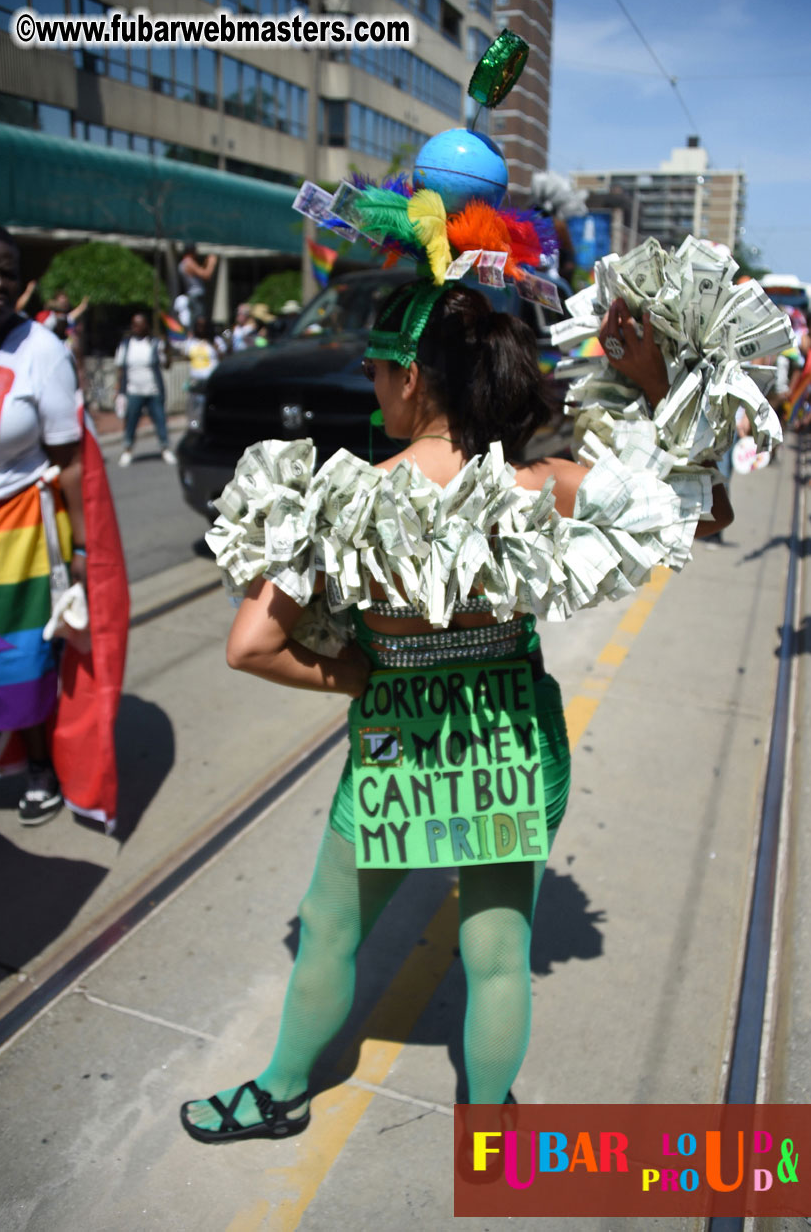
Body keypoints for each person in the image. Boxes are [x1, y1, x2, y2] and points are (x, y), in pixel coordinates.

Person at [180, 277, 732, 1143]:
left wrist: (360, 676)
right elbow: (706, 512)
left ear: (413, 378)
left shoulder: (342, 498)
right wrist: (660, 384)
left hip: (401, 744)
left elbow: (251, 643)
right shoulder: (540, 483)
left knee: (329, 928)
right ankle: (487, 1124)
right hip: (510, 733)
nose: (368, 379)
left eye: (375, 366)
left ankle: (283, 1091)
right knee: (499, 952)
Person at [0, 224, 86, 825]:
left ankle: (40, 769)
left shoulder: (41, 349)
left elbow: (70, 463)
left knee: (19, 662)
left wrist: (84, 553)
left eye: (6, 272)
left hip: (19, 532)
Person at [114, 313, 175, 467]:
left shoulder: (155, 343)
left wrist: (168, 350)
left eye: (140, 324)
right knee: (131, 422)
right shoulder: (126, 345)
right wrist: (118, 391)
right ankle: (128, 450)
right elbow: (120, 369)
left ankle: (165, 448)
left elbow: (166, 365)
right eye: (134, 324)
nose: (137, 328)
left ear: (146, 326)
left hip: (153, 391)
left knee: (160, 420)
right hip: (133, 390)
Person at [178, 244, 217, 325]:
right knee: (200, 321)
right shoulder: (189, 262)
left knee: (194, 319)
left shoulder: (182, 263)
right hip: (196, 295)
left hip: (191, 295)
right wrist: (211, 263)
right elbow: (206, 275)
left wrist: (205, 265)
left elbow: (198, 273)